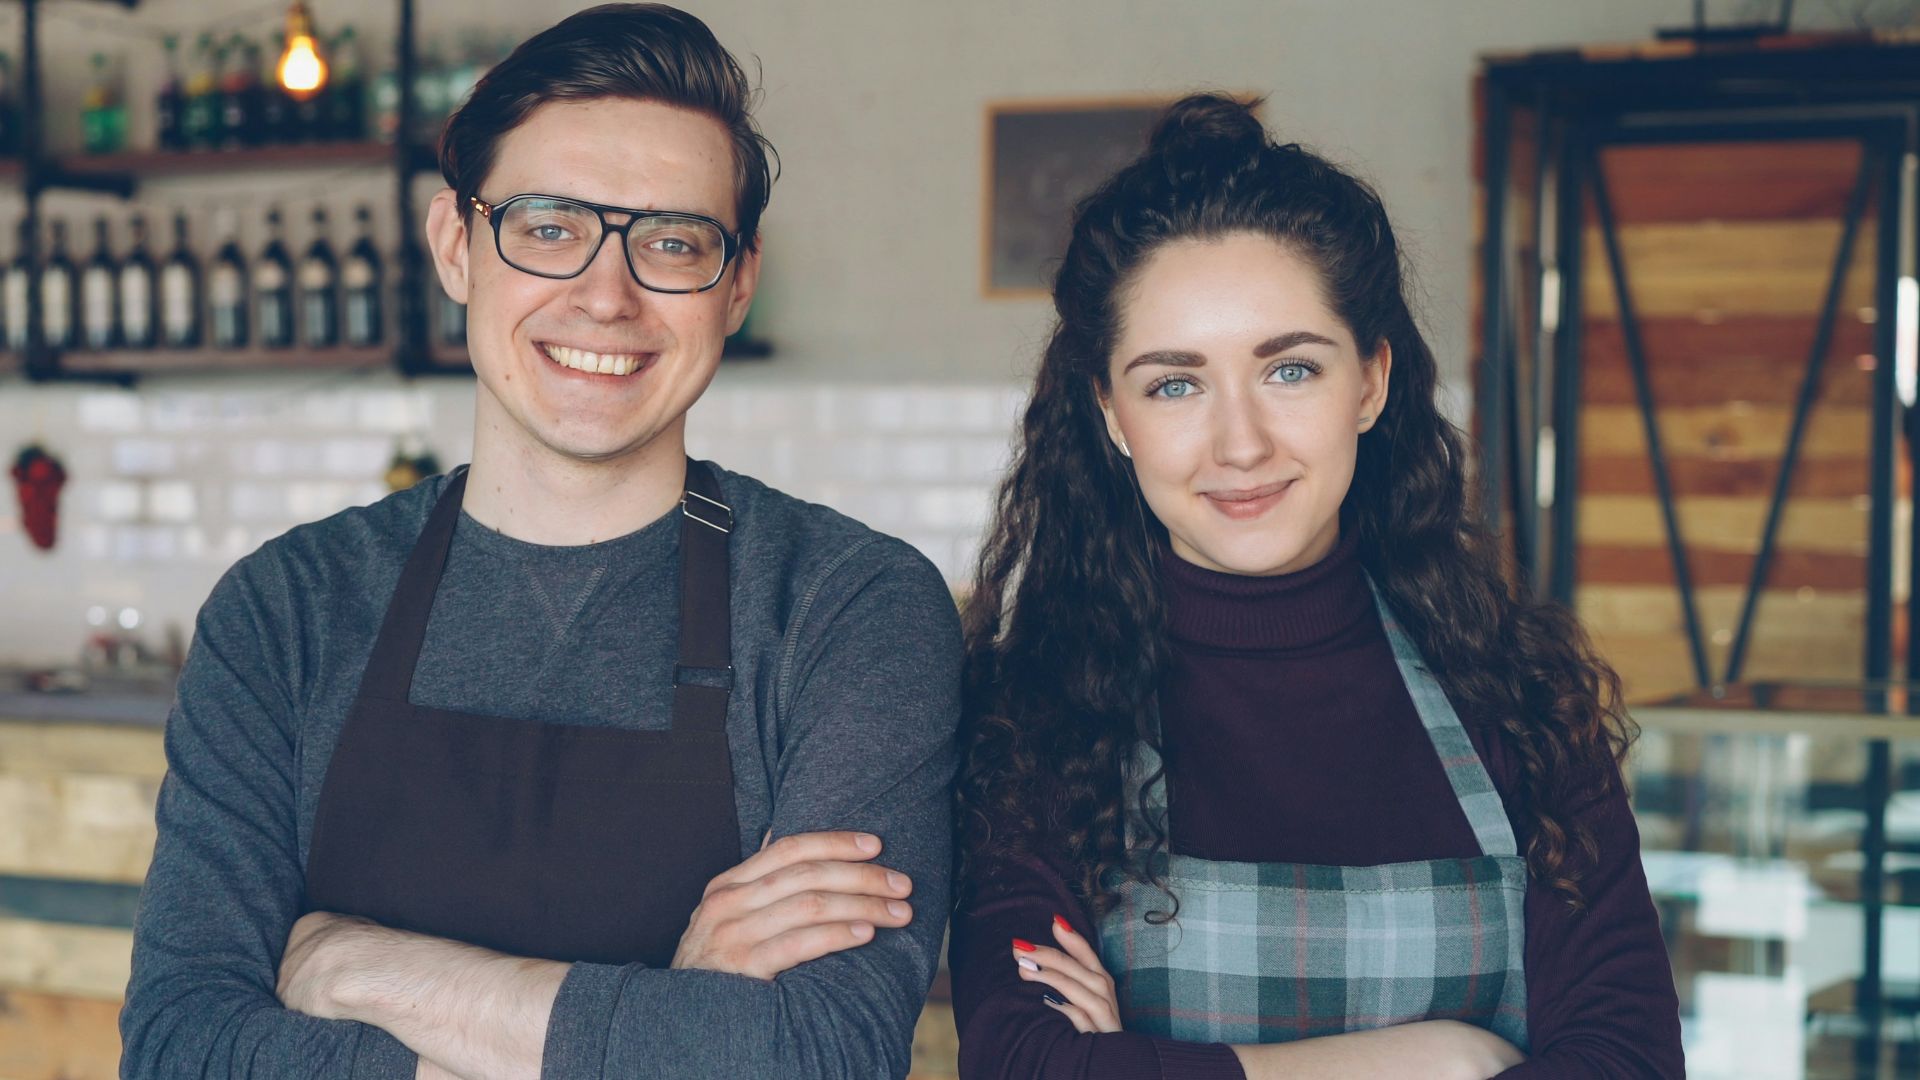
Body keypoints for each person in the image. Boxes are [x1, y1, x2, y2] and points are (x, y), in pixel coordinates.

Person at [119, 6, 959, 1078]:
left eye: (671, 242)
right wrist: (673, 1017)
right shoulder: (286, 609)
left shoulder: (850, 608)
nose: (606, 298)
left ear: (736, 284)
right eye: (550, 227)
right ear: (456, 248)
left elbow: (820, 1059)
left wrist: (364, 972)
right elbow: (181, 1048)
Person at [950, 93, 1683, 1080]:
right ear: (1112, 416)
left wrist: (1154, 1061)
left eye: (1289, 370)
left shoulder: (1520, 698)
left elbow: (1628, 1063)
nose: (1241, 442)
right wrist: (1440, 1060)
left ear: (1372, 382)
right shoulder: (1030, 722)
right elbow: (1028, 1068)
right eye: (1176, 383)